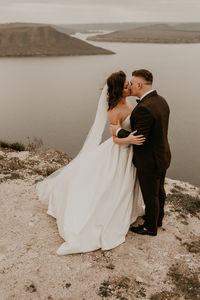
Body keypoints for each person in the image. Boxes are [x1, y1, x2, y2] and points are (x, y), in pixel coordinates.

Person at [36, 70, 145, 255]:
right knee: (111, 186)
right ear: (119, 89)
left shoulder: (128, 103)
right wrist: (130, 140)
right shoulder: (114, 110)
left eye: (129, 84)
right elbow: (116, 138)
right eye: (126, 85)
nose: (129, 87)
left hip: (129, 153)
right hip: (119, 152)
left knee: (124, 185)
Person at [110, 69, 171, 236]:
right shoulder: (161, 101)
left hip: (149, 160)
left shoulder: (144, 107)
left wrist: (117, 131)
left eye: (131, 83)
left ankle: (150, 227)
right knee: (159, 191)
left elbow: (139, 137)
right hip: (163, 154)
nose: (129, 85)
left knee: (150, 194)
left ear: (139, 84)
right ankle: (157, 219)